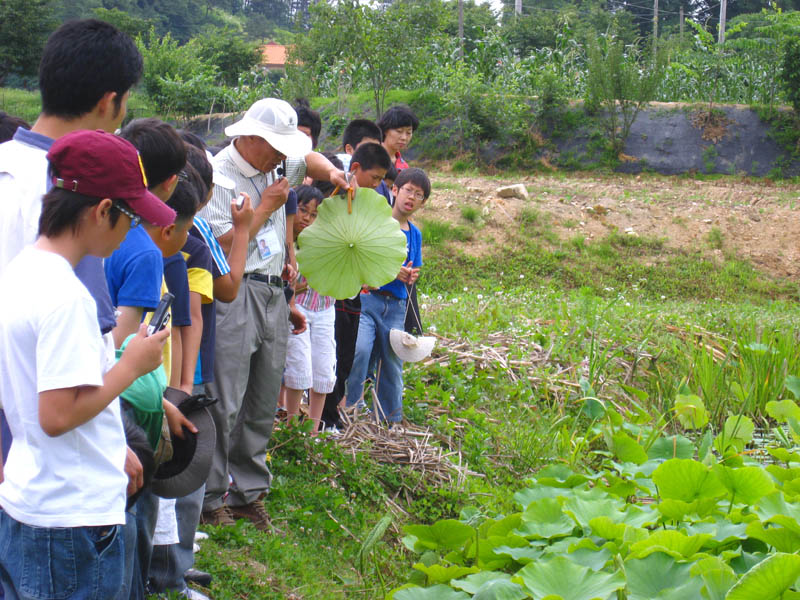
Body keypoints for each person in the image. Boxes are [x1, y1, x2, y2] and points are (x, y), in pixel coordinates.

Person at [0, 19, 147, 599]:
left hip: (23, 471)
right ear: (112, 101)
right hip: (57, 471)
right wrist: (114, 444)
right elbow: (85, 355)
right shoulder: (77, 196)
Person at [199, 98, 349, 530]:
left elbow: (311, 159)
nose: (284, 155)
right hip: (234, 291)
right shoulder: (218, 174)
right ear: (248, 136)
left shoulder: (278, 166)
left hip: (273, 293)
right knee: (225, 396)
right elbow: (220, 242)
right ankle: (210, 498)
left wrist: (335, 174)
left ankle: (248, 492)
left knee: (263, 396)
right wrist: (265, 207)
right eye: (276, 146)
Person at [345, 168, 431, 424]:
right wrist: (393, 272)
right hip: (369, 300)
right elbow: (364, 258)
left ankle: (390, 419)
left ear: (422, 202)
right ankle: (351, 409)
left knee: (392, 363)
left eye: (419, 194)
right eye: (408, 190)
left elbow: (414, 266)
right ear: (395, 190)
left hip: (396, 306)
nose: (411, 198)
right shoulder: (378, 222)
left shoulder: (415, 233)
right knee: (359, 351)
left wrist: (410, 275)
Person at [284, 186, 336, 434]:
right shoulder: (288, 242)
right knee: (298, 365)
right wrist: (295, 290)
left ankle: (313, 431)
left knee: (324, 367)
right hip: (300, 308)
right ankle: (292, 427)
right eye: (303, 210)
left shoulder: (329, 241)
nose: (307, 218)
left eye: (314, 214)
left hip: (326, 307)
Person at [377, 104, 419, 170]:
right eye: (399, 131)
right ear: (385, 130)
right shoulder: (370, 158)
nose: (404, 138)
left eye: (408, 133)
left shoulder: (404, 168)